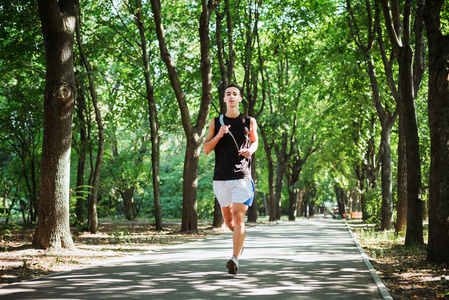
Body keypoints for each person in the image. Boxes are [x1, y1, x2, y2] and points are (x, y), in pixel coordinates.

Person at [203, 83, 259, 275]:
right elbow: (206, 148)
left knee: (238, 215)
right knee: (229, 221)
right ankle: (239, 240)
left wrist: (250, 151)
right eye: (228, 94)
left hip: (242, 176)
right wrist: (219, 135)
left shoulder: (249, 121)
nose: (232, 96)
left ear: (240, 98)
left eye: (235, 94)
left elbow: (255, 141)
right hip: (221, 177)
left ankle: (234, 258)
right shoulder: (215, 122)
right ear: (225, 99)